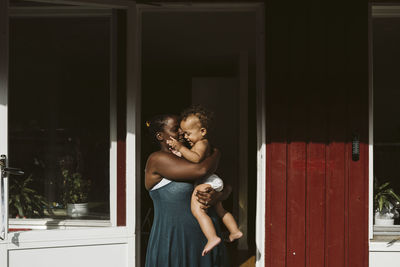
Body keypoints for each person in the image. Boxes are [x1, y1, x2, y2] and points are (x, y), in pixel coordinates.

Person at [144, 114, 229, 267]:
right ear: (160, 136)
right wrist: (217, 153)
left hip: (206, 241)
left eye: (182, 129)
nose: (182, 133)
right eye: (176, 129)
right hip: (174, 242)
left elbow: (227, 187)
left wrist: (218, 196)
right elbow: (201, 170)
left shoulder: (192, 156)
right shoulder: (157, 159)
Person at [167, 105, 243, 256]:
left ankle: (212, 237)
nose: (186, 137)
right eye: (184, 134)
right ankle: (235, 232)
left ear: (202, 131)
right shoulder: (199, 144)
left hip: (209, 180)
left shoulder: (202, 143)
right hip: (213, 181)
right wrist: (179, 152)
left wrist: (180, 148)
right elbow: (191, 157)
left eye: (188, 134)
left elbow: (195, 159)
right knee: (220, 209)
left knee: (197, 210)